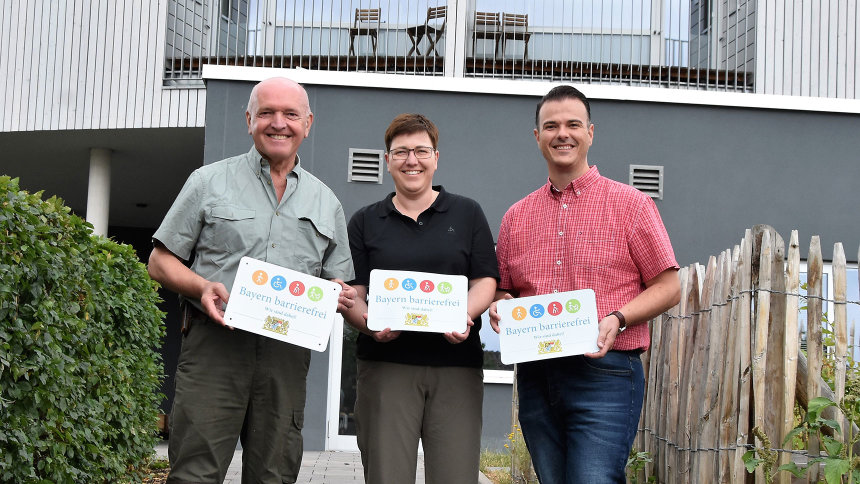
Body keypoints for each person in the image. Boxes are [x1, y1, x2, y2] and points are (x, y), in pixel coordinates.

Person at [147, 76, 356, 484]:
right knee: (195, 472)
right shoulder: (208, 182)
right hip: (214, 346)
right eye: (267, 113)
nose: (279, 123)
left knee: (274, 474)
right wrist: (201, 287)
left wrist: (340, 296)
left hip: (285, 354)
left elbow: (340, 282)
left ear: (307, 123)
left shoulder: (327, 202)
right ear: (249, 120)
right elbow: (159, 261)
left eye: (290, 114)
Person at [489, 85, 681, 484]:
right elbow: (506, 288)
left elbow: (668, 286)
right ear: (537, 137)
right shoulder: (515, 217)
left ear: (590, 132)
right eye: (551, 125)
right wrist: (499, 304)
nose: (563, 133)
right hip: (537, 377)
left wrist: (619, 317)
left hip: (605, 374)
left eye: (573, 124)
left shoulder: (632, 206)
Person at [342, 113, 498, 484]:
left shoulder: (467, 213)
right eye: (401, 152)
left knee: (455, 475)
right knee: (386, 475)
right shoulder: (365, 221)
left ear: (436, 157)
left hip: (456, 366)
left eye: (421, 151)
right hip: (385, 366)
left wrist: (464, 314)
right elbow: (355, 295)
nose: (412, 160)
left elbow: (485, 281)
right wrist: (369, 324)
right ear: (387, 160)